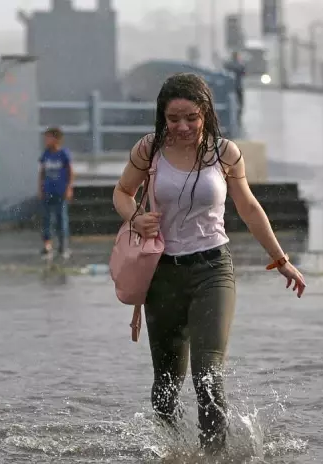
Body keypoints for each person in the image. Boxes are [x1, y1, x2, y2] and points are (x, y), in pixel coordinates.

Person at [112, 73, 306, 453]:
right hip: (162, 274)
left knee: (208, 376)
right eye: (173, 119)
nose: (182, 127)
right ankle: (172, 453)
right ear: (162, 118)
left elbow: (248, 207)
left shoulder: (224, 153)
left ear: (206, 114)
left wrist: (280, 258)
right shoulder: (148, 150)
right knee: (166, 384)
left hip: (213, 269)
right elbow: (122, 192)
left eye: (191, 118)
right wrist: (134, 216)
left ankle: (212, 457)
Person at [38, 127, 74, 260]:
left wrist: (69, 188)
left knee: (61, 219)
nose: (46, 140)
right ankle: (47, 245)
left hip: (60, 191)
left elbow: (70, 172)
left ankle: (63, 246)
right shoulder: (46, 154)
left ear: (56, 139)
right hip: (48, 191)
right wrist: (40, 188)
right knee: (46, 219)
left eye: (48, 137)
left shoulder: (64, 154)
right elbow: (42, 172)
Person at [224, 51, 246, 124]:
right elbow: (244, 72)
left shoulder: (228, 64)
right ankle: (238, 118)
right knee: (239, 103)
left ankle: (234, 118)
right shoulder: (240, 64)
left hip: (231, 87)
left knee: (233, 103)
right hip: (238, 87)